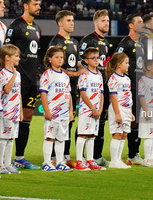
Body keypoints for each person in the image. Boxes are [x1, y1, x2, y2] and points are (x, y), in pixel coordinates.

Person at [5, 0, 42, 169]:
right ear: (25, 6)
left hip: (31, 80)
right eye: (35, 4)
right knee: (12, 119)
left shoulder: (37, 28)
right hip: (17, 80)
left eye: (39, 4)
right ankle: (4, 160)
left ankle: (19, 158)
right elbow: (5, 51)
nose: (39, 7)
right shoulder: (15, 26)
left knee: (27, 118)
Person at [48, 10, 85, 168]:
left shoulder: (75, 43)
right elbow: (55, 66)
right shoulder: (56, 42)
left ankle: (65, 154)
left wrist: (83, 69)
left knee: (69, 122)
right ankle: (53, 156)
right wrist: (75, 73)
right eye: (68, 20)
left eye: (73, 20)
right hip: (58, 89)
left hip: (73, 88)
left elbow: (77, 63)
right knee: (57, 122)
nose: (72, 23)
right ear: (60, 23)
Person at [79, 9, 110, 166]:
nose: (106, 23)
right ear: (96, 22)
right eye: (103, 20)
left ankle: (96, 156)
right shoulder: (88, 40)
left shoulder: (106, 43)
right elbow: (79, 61)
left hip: (102, 86)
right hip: (90, 87)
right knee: (86, 123)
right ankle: (83, 156)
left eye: (108, 21)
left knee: (100, 123)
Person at [116, 13, 144, 165]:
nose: (143, 24)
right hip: (129, 88)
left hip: (142, 87)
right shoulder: (125, 43)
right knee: (130, 121)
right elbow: (116, 63)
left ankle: (135, 153)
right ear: (131, 26)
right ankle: (130, 155)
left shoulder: (143, 43)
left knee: (139, 121)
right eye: (139, 22)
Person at [40, 46, 74, 172]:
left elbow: (68, 94)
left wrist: (70, 111)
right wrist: (46, 111)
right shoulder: (47, 75)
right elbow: (43, 93)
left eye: (61, 57)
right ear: (50, 59)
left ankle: (60, 162)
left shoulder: (65, 76)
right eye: (56, 57)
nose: (60, 59)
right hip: (52, 112)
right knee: (50, 137)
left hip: (64, 113)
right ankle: (46, 162)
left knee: (61, 138)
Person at [76, 47, 106, 171]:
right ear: (86, 61)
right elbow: (82, 93)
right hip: (86, 110)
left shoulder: (99, 75)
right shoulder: (84, 74)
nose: (96, 60)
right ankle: (79, 161)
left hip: (96, 110)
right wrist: (93, 108)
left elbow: (101, 93)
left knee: (92, 135)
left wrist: (99, 109)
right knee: (83, 134)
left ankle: (90, 160)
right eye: (93, 58)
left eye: (97, 57)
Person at [0, 44, 23, 174]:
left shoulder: (18, 74)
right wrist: (14, 75)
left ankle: (7, 164)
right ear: (7, 58)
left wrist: (21, 111)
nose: (19, 59)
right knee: (3, 138)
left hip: (15, 111)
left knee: (11, 138)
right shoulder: (2, 74)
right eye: (16, 56)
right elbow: (6, 90)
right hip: (5, 111)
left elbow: (19, 93)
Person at [106, 53, 135, 169]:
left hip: (127, 110)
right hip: (118, 109)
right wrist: (117, 113)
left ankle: (118, 159)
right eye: (126, 63)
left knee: (124, 134)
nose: (128, 65)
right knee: (117, 134)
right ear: (118, 65)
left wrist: (131, 112)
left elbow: (129, 96)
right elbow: (113, 97)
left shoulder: (127, 79)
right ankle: (114, 161)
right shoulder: (114, 78)